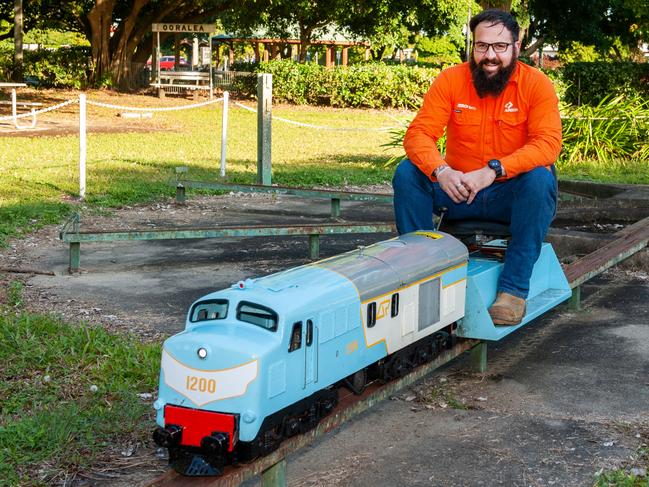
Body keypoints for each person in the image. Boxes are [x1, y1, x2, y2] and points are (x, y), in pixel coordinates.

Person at [392, 8, 562, 325]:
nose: (490, 56)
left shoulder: (537, 85)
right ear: (473, 45)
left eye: (500, 46)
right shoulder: (450, 80)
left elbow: (547, 145)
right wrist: (441, 171)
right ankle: (420, 274)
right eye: (482, 46)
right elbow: (418, 135)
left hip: (507, 199)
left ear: (516, 45)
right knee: (407, 173)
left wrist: (494, 170)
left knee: (540, 178)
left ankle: (512, 292)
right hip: (456, 194)